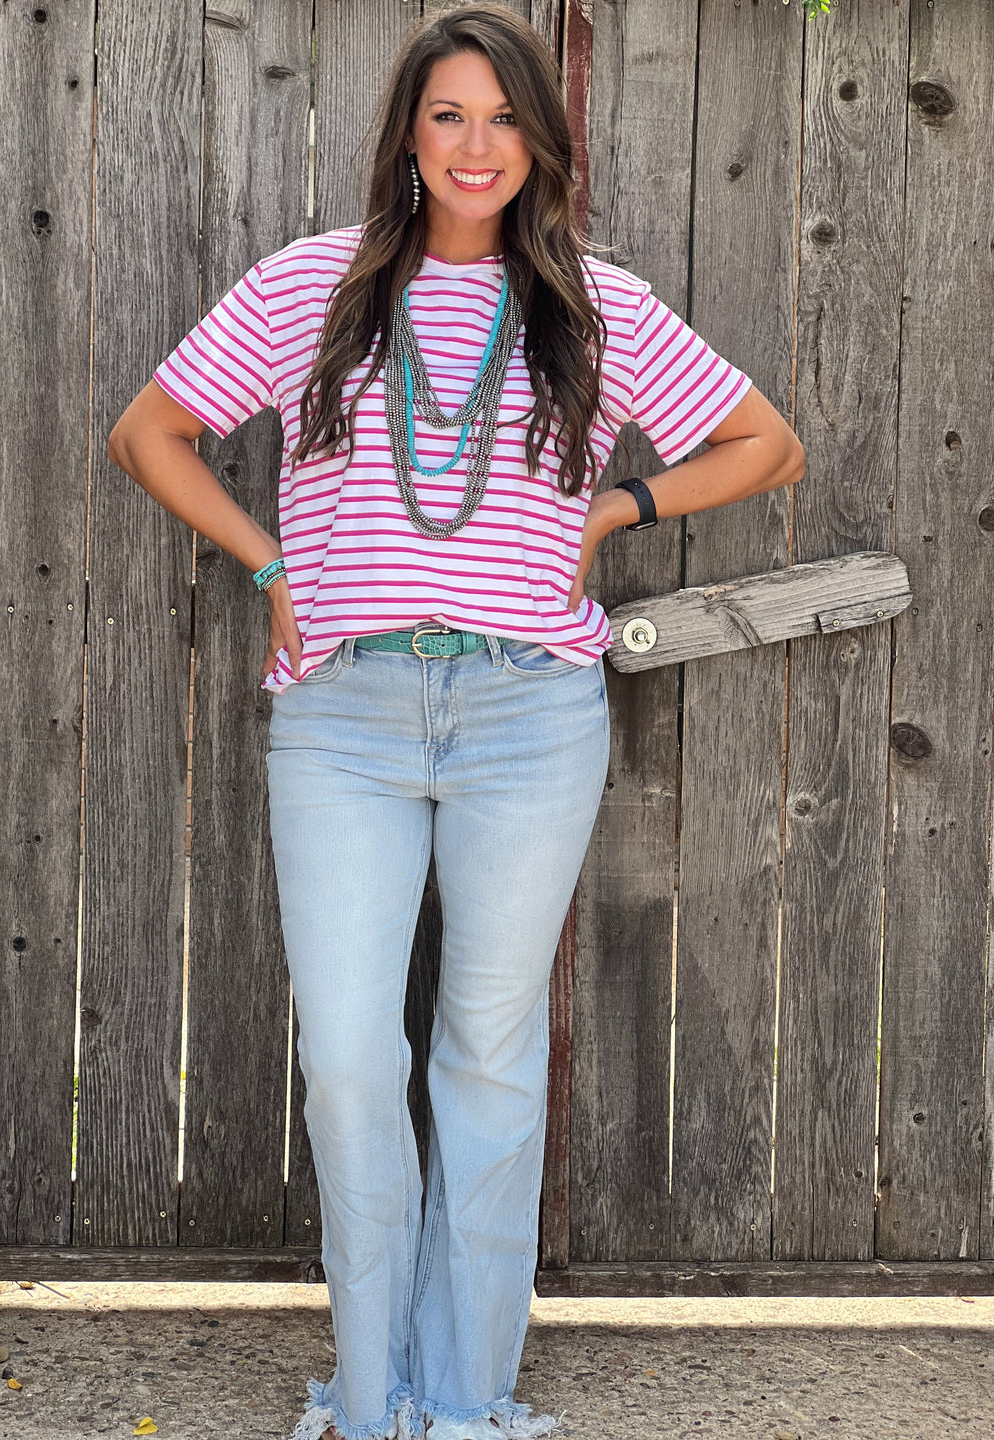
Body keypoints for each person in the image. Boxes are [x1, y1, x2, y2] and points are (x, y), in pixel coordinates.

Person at [107, 6, 804, 1438]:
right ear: (407, 137)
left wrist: (623, 504)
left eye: (502, 119)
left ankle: (470, 1403)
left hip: (528, 715)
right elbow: (147, 433)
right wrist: (268, 564)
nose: (475, 146)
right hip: (346, 715)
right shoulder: (312, 286)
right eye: (447, 117)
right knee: (355, 1055)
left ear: (541, 141)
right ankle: (372, 1405)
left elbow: (768, 443)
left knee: (487, 1055)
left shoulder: (592, 308)